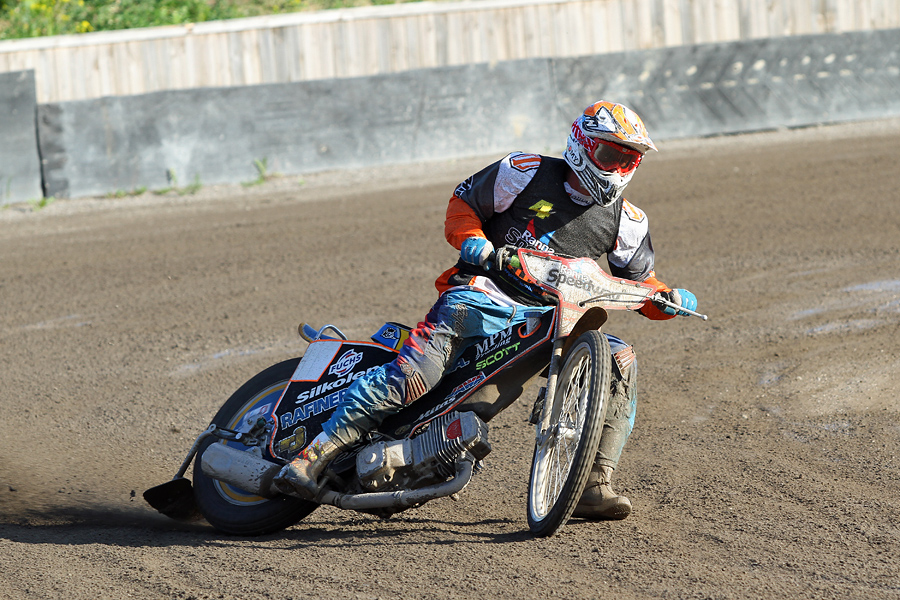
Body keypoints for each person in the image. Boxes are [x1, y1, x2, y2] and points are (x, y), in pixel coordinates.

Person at [274, 100, 698, 520]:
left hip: (553, 320)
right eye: (610, 154)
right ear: (582, 144)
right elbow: (463, 206)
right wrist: (473, 239)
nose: (618, 168)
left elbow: (642, 286)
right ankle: (312, 456)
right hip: (481, 295)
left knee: (619, 359)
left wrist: (670, 299)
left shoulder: (628, 220)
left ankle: (590, 482)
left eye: (629, 160)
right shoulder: (525, 171)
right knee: (417, 373)